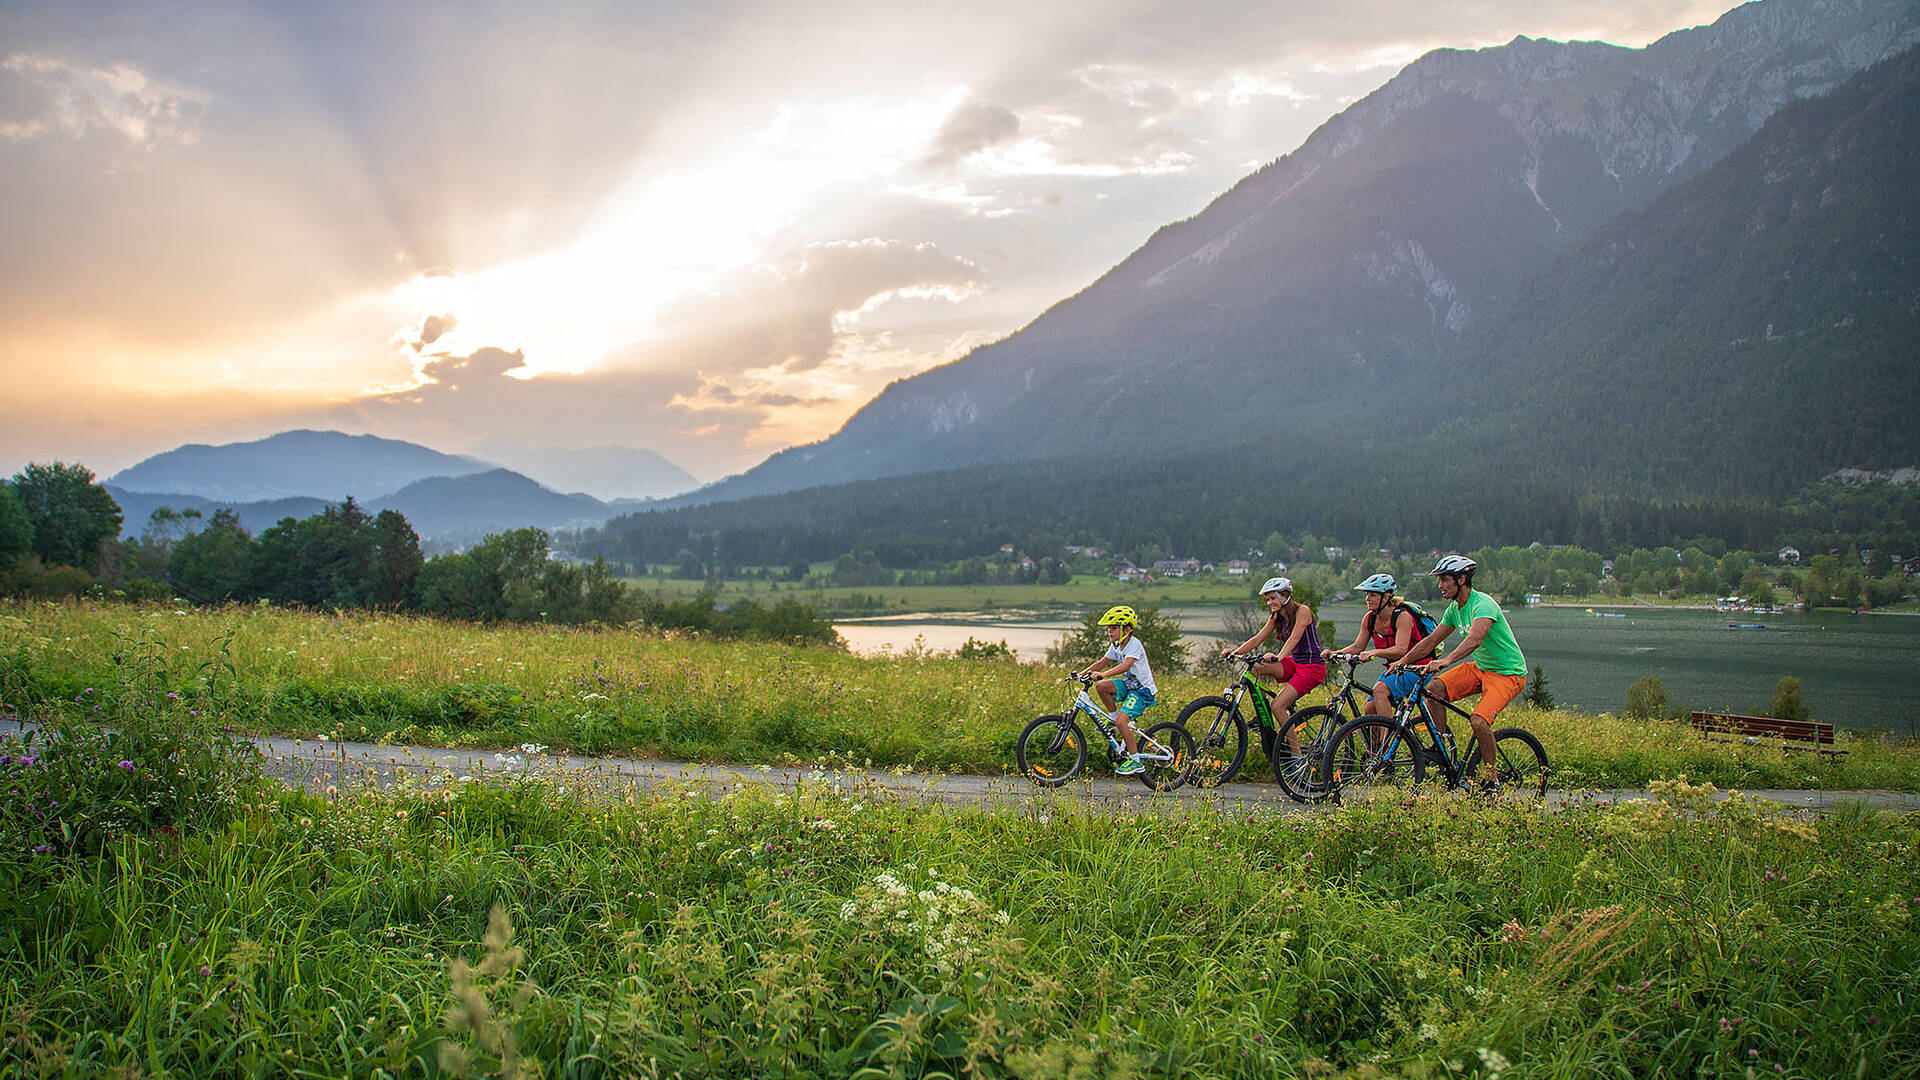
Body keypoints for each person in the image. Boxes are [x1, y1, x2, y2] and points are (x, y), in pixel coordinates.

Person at [1388, 555, 1527, 781]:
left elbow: (1475, 639)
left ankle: (1491, 779)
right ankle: (1442, 748)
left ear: (1461, 580)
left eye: (1444, 580)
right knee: (1434, 690)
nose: (1440, 586)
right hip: (1481, 668)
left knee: (1479, 721)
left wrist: (1446, 660)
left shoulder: (1483, 604)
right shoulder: (1454, 609)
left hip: (1507, 674)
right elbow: (1431, 641)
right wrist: (1402, 662)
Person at [1221, 577, 1325, 755]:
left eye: (1273, 598)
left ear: (1285, 596)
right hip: (1295, 663)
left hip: (1312, 667)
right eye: (1268, 599)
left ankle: (1296, 755)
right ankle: (1265, 719)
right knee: (1254, 669)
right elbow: (1257, 639)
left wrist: (1278, 657)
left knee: (1278, 706)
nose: (1270, 602)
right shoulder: (1277, 616)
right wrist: (1235, 652)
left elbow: (1294, 638)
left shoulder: (1303, 611)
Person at [1326, 573, 1435, 717]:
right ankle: (1376, 740)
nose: (1367, 599)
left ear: (1387, 597)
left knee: (1380, 691)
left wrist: (1374, 652)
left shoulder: (1402, 617)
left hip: (1418, 667)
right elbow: (1358, 647)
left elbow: (1401, 650)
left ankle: (1387, 739)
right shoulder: (1370, 618)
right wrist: (1335, 653)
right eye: (1367, 594)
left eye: (1373, 595)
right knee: (1370, 710)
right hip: (1395, 668)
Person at [1075, 604, 1158, 775]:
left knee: (1122, 722)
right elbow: (1101, 662)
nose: (1109, 632)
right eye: (1108, 629)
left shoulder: (1134, 644)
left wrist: (1102, 674)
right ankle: (1112, 719)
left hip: (1142, 691)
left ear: (1127, 629)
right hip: (1129, 686)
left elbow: (1127, 664)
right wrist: (1080, 674)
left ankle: (1135, 761)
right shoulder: (1116, 646)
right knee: (1101, 687)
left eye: (1113, 628)